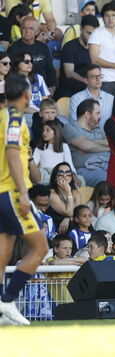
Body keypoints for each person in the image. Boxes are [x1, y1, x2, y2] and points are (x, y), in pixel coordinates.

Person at [0, 75, 47, 325]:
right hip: (11, 191)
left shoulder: (2, 115)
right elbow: (12, 153)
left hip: (0, 192)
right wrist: (22, 192)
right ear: (27, 95)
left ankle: (1, 309)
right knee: (40, 248)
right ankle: (8, 299)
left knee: (3, 251)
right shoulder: (16, 117)